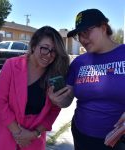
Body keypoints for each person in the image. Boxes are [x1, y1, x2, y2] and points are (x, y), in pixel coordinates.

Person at [48, 8, 125, 150]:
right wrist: (58, 100)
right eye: (79, 35)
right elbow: (67, 99)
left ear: (103, 28)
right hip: (81, 136)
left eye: (86, 32)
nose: (82, 39)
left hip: (118, 141)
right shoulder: (79, 62)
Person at [0, 26, 70, 150]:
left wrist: (34, 134)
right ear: (33, 46)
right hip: (5, 134)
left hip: (33, 140)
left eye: (54, 51)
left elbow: (54, 110)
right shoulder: (11, 65)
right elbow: (0, 102)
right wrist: (18, 134)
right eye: (45, 48)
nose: (49, 55)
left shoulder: (55, 74)